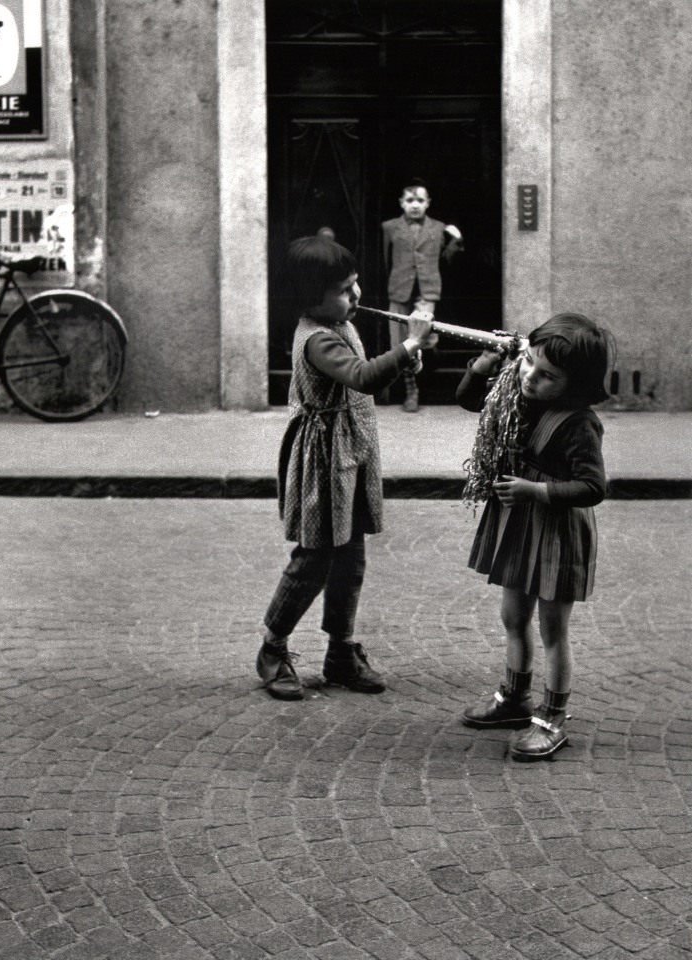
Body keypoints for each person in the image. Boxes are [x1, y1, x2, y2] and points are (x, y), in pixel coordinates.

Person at [257, 235, 435, 700]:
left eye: (355, 285)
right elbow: (362, 376)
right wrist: (411, 342)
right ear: (310, 298)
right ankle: (273, 648)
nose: (356, 296)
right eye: (344, 290)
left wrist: (409, 353)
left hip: (350, 456)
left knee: (350, 560)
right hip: (324, 461)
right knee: (314, 559)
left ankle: (340, 652)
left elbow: (372, 372)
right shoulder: (317, 338)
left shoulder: (339, 323)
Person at [457, 313, 614, 761]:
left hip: (556, 531)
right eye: (528, 362)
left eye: (547, 375)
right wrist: (484, 363)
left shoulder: (579, 423)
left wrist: (534, 491)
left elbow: (593, 487)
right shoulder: (518, 394)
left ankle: (552, 717)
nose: (530, 377)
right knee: (512, 616)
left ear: (575, 383)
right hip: (522, 525)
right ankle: (514, 697)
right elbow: (469, 400)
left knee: (552, 630)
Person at [381, 177, 463, 411]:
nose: (415, 204)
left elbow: (448, 261)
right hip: (399, 290)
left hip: (426, 292)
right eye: (410, 200)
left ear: (427, 203)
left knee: (421, 338)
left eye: (420, 200)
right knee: (400, 342)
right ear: (401, 203)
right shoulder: (389, 227)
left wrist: (456, 239)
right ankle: (411, 390)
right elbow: (385, 260)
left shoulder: (438, 228)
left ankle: (421, 380)